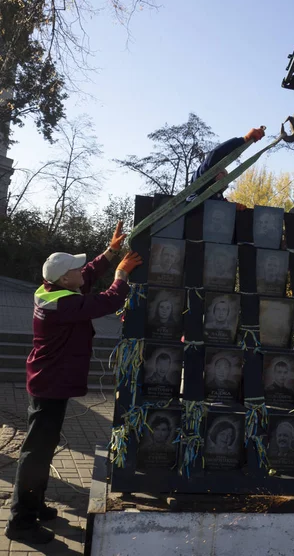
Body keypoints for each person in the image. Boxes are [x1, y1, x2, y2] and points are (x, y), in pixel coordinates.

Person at [5, 222, 143, 544]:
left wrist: (111, 251)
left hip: (49, 382)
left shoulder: (55, 290)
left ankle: (35, 504)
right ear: (65, 279)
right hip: (50, 386)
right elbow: (106, 301)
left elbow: (89, 274)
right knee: (35, 452)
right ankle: (20, 522)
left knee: (43, 447)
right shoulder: (64, 305)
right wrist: (121, 275)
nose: (83, 271)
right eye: (76, 269)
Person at [187, 127, 265, 206]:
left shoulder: (217, 198)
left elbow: (218, 209)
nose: (225, 177)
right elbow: (216, 154)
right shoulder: (200, 182)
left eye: (226, 176)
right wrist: (245, 139)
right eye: (222, 173)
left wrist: (233, 208)